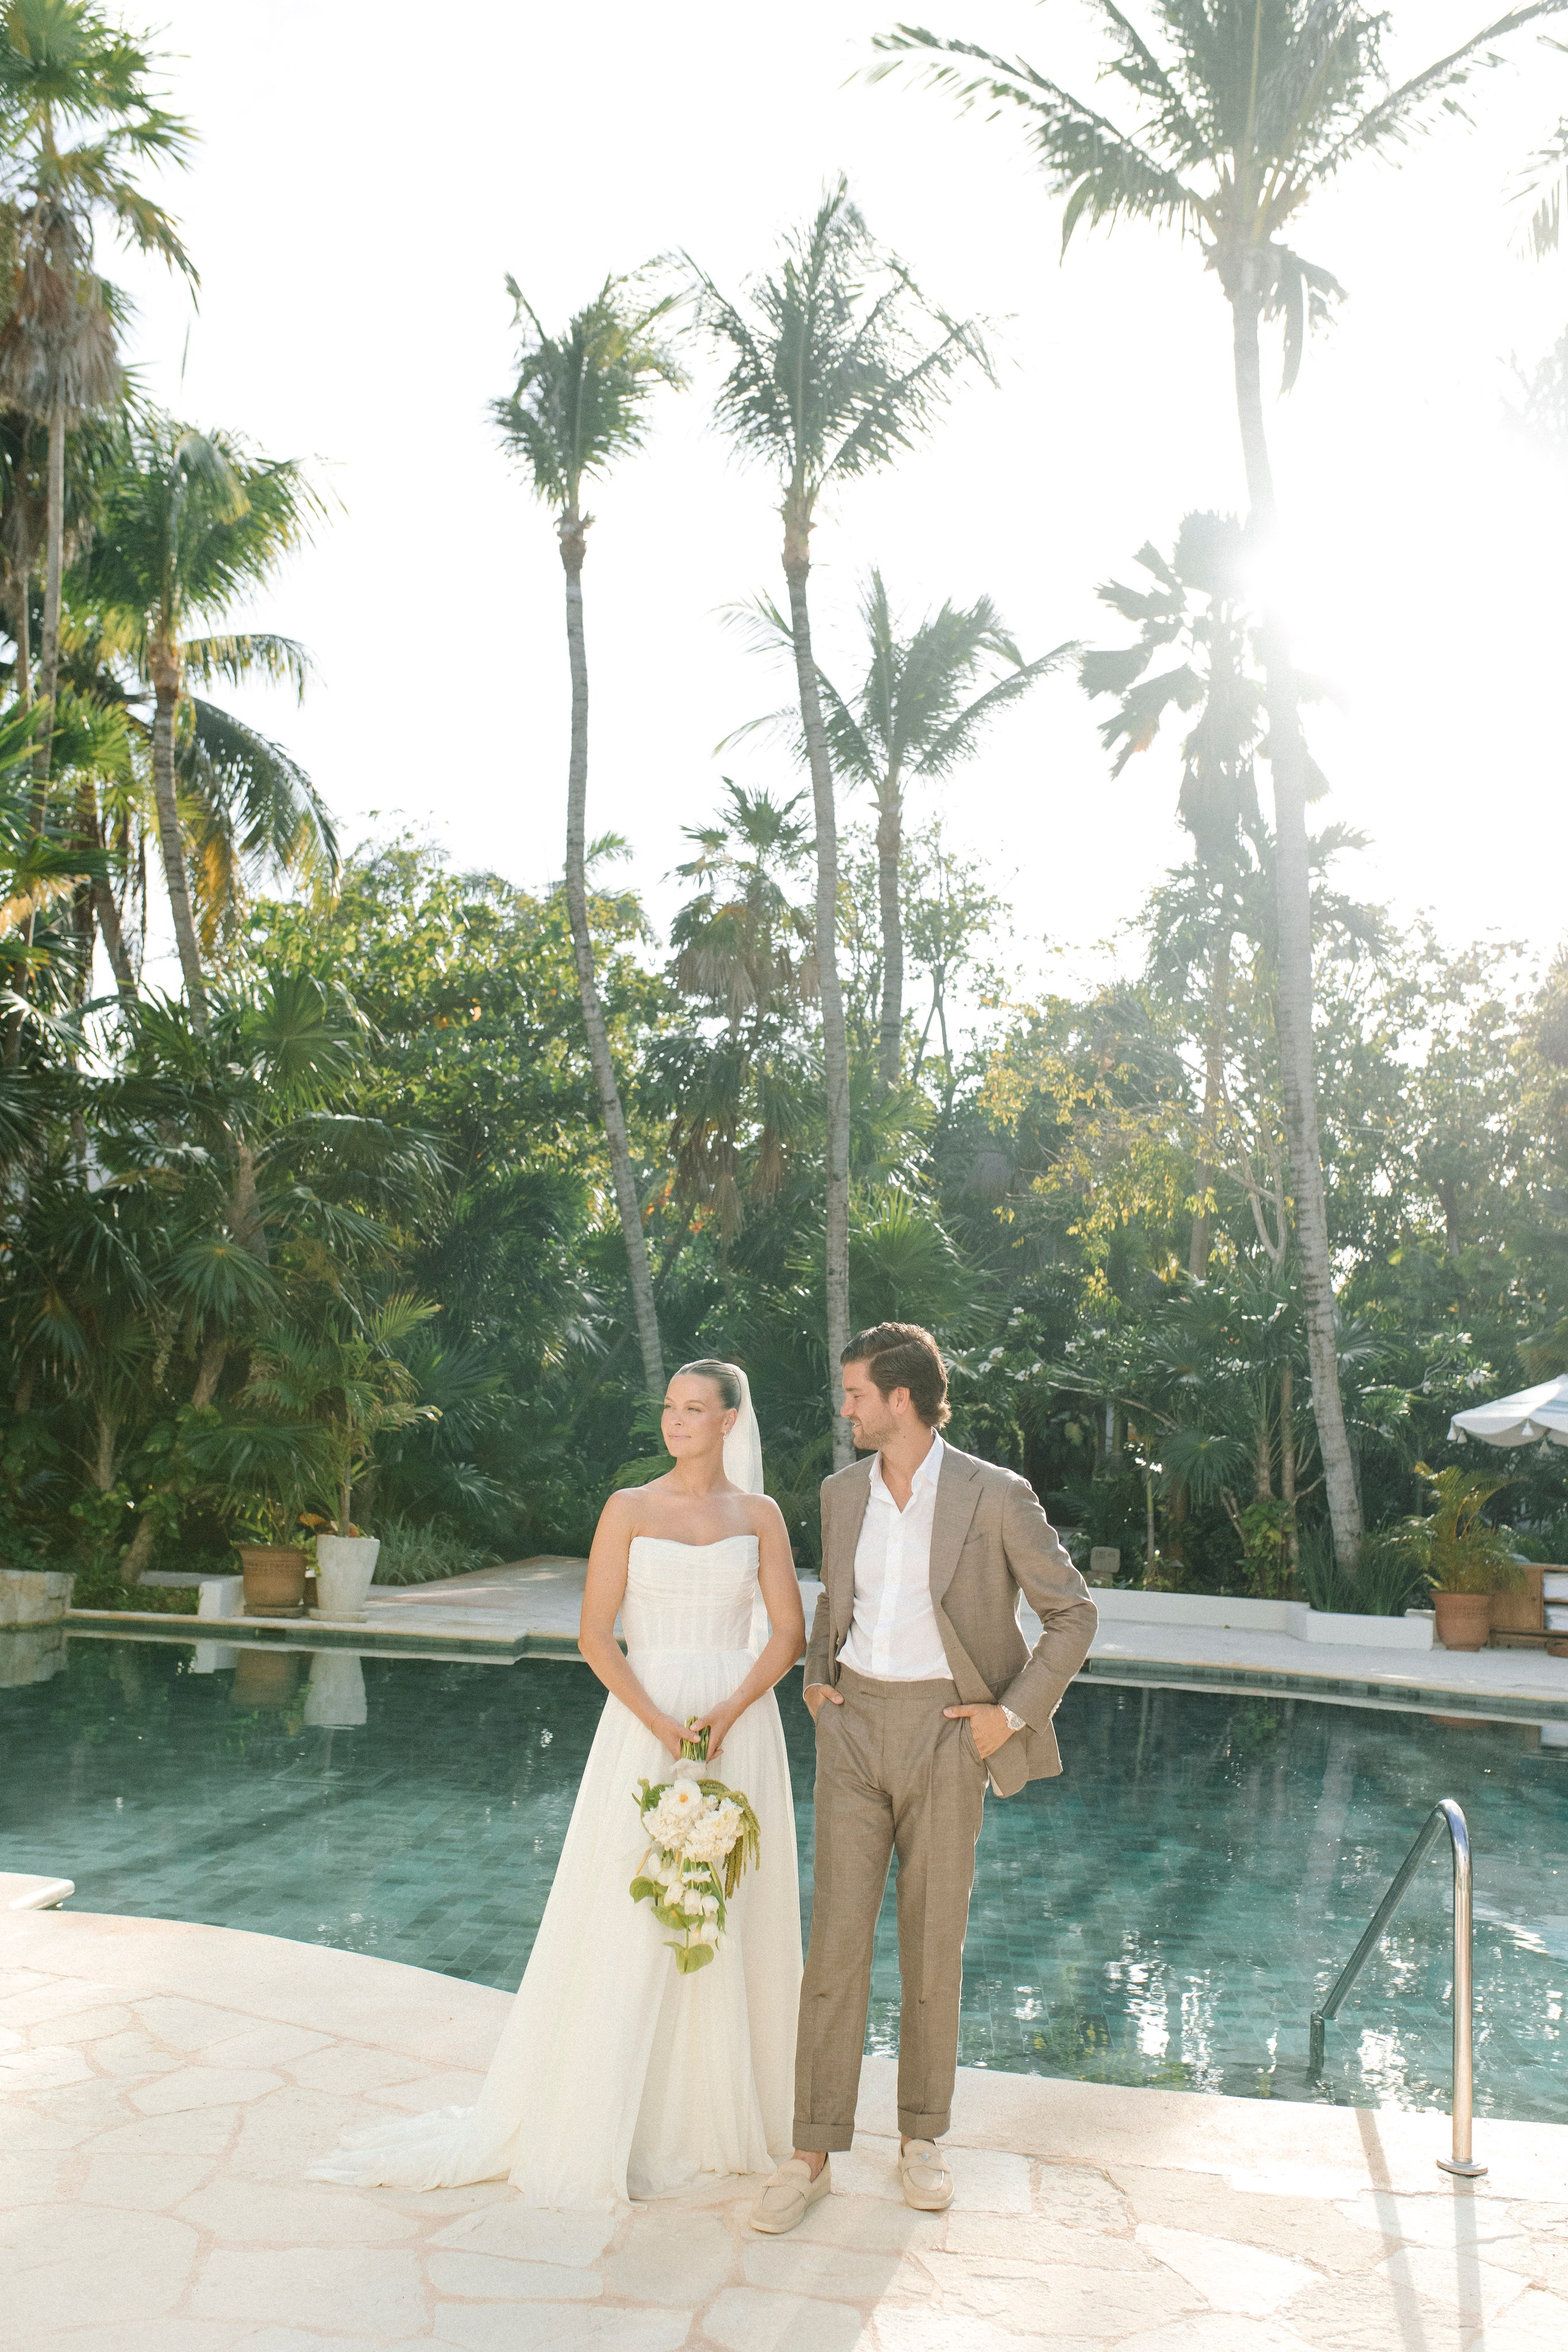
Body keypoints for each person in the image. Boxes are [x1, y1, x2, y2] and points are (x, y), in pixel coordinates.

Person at [309, 1360, 805, 2210]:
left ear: (730, 1422)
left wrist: (727, 1711)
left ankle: (715, 2115)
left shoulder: (760, 1516)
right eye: (669, 1409)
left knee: (729, 1907)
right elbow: (595, 1636)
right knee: (630, 1908)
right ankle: (612, 2110)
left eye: (694, 1411)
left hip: (739, 1730)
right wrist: (661, 1723)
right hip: (644, 1728)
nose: (676, 1423)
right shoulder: (629, 1509)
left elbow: (789, 1633)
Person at [750, 1322, 1096, 2236]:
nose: (846, 1407)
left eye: (856, 1393)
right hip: (855, 1729)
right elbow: (835, 1598)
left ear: (901, 1399)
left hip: (950, 1734)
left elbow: (1073, 1615)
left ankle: (921, 2141)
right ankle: (811, 2152)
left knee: (932, 1944)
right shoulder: (840, 1492)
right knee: (835, 1948)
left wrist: (1008, 1715)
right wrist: (821, 1685)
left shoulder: (993, 1495)